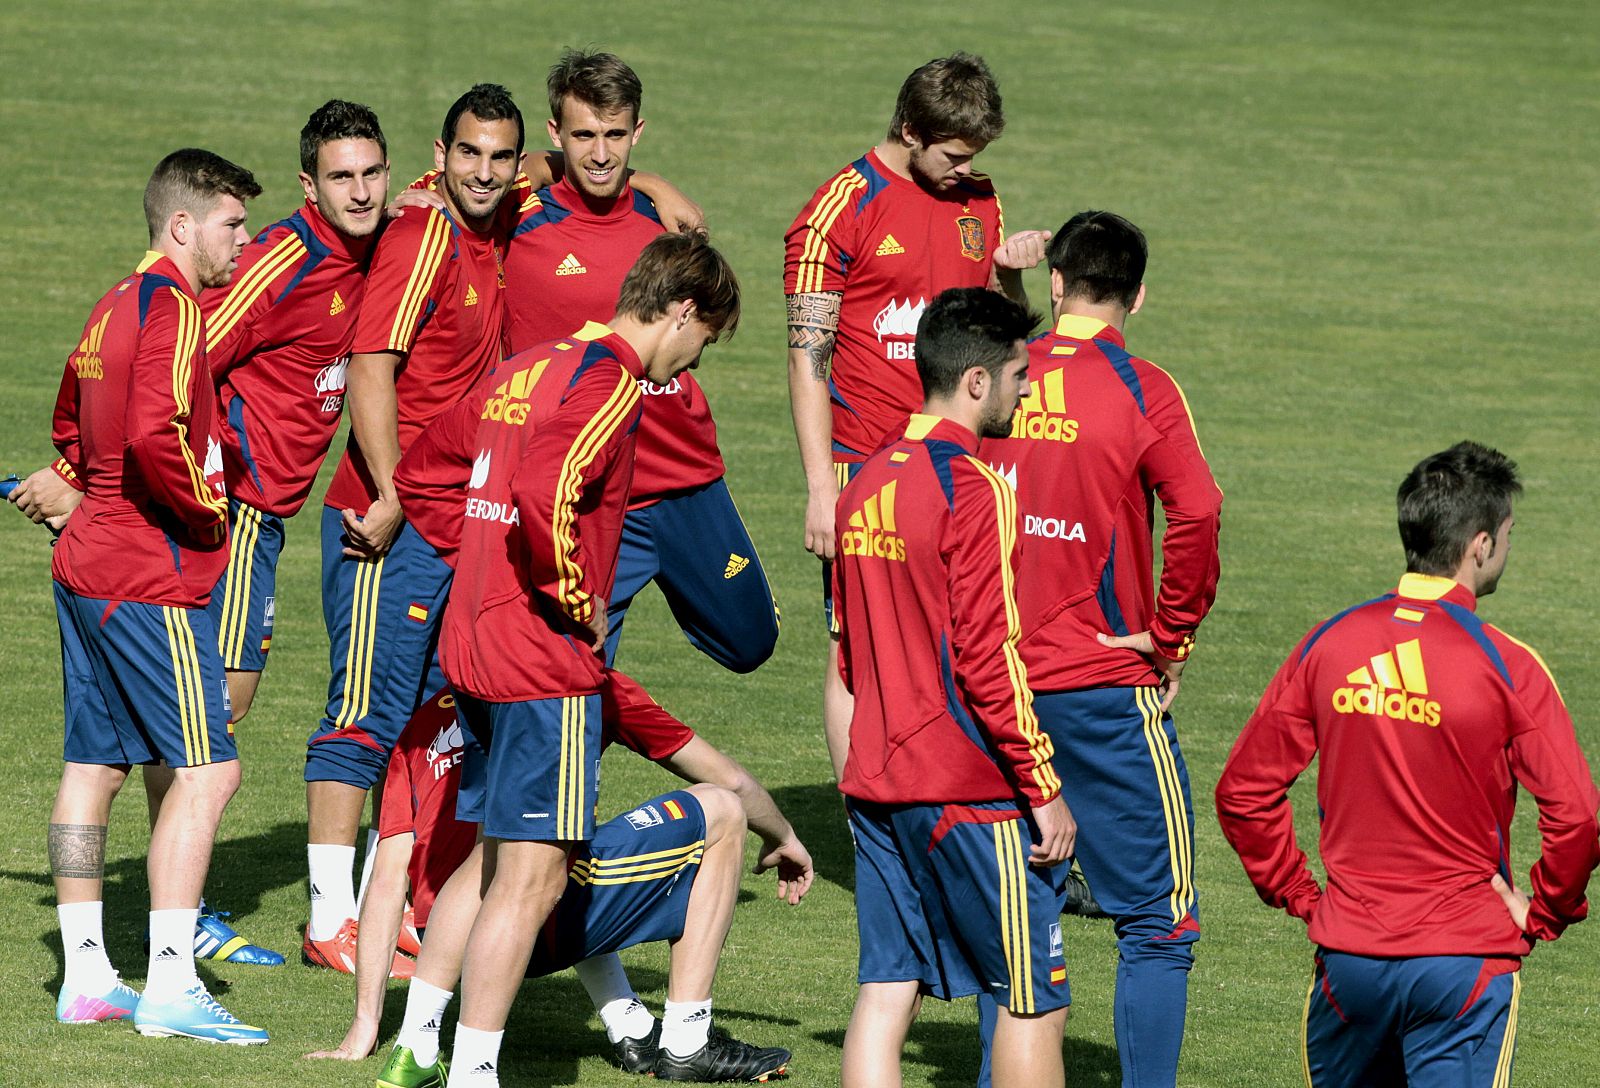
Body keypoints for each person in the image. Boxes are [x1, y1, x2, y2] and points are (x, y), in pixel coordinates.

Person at [421, 230, 742, 1087]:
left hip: (477, 641)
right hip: (540, 662)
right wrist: (575, 599)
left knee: (490, 857)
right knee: (532, 880)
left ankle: (420, 1045)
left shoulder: (531, 366)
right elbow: (547, 492)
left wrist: (479, 563)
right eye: (701, 343)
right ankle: (474, 1072)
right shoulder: (612, 384)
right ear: (681, 311)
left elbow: (429, 467)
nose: (692, 365)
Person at [1215, 442, 1600, 1086]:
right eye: (1508, 534)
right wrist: (1544, 914)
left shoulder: (1329, 642)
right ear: (1480, 545)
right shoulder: (1510, 667)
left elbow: (1242, 794)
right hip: (1462, 967)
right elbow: (1579, 818)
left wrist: (1304, 897)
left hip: (1350, 966)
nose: (1508, 547)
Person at [975, 210, 1222, 1087]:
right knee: (1160, 921)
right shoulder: (1143, 388)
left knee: (1015, 914)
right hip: (1101, 689)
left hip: (990, 687)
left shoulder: (992, 376)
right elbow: (1198, 509)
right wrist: (1173, 634)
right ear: (1139, 295)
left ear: (1056, 284)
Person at [308, 673, 809, 1084]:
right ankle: (688, 1040)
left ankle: (623, 1023)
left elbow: (387, 878)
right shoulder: (583, 683)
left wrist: (366, 1022)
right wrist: (784, 836)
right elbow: (732, 780)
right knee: (719, 811)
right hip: (531, 925)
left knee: (554, 833)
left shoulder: (421, 728)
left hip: (447, 938)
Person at [46, 148, 269, 1044]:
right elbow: (154, 433)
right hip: (147, 574)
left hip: (85, 563)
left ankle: (88, 975)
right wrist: (209, 512)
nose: (243, 243)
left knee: (92, 769)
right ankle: (173, 982)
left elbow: (71, 419)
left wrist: (82, 481)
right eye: (232, 224)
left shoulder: (110, 306)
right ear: (182, 224)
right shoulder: (174, 308)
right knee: (210, 767)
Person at [302, 84, 523, 973]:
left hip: (450, 523)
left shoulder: (495, 220)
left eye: (498, 158)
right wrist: (392, 494)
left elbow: (566, 160)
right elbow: (368, 368)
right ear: (440, 154)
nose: (483, 171)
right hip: (381, 522)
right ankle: (330, 923)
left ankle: (389, 901)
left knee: (427, 715)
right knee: (361, 713)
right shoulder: (425, 232)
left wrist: (659, 188)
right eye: (467, 154)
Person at [783, 51, 1050, 781]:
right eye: (956, 156)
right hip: (866, 464)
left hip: (966, 466)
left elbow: (1002, 332)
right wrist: (819, 488)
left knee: (981, 635)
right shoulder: (839, 209)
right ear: (909, 129)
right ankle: (865, 821)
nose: (967, 170)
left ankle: (972, 801)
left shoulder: (980, 198)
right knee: (856, 648)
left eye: (977, 157)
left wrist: (1015, 272)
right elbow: (808, 357)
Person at [833, 287, 1075, 1088]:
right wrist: (1041, 784)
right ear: (976, 382)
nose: (1026, 389)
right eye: (1018, 374)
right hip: (965, 787)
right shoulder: (974, 488)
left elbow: (849, 658)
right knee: (1032, 997)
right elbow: (988, 655)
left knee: (887, 987)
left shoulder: (863, 483)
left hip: (876, 780)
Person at [506, 47, 777, 675]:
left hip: (684, 477)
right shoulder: (515, 220)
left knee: (751, 640)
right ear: (555, 135)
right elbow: (461, 177)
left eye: (615, 135)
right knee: (574, 670)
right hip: (595, 493)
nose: (600, 154)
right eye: (582, 136)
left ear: (637, 133)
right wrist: (549, 170)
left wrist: (650, 185)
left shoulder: (665, 223)